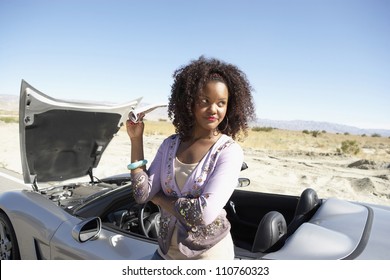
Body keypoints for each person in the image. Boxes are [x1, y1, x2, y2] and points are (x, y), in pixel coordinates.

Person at [126, 56, 256, 260]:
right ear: (189, 102)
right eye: (205, 101)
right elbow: (141, 194)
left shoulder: (229, 151)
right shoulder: (170, 145)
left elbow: (201, 215)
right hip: (165, 252)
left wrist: (158, 198)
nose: (214, 109)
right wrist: (136, 140)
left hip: (209, 255)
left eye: (221, 103)